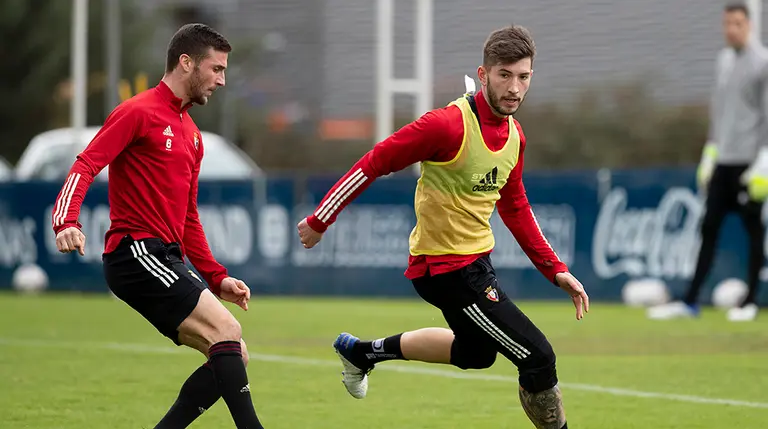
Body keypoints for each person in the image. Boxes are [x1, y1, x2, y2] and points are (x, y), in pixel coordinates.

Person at [297, 25, 588, 429]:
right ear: (483, 75)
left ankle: (361, 353)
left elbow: (516, 205)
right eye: (504, 75)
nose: (515, 88)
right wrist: (320, 220)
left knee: (477, 354)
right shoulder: (446, 125)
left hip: (474, 265)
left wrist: (556, 270)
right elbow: (376, 160)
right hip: (447, 270)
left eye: (524, 77)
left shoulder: (515, 136)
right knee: (538, 357)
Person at [52, 23, 265, 428]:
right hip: (135, 253)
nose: (222, 80)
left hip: (165, 255)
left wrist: (217, 277)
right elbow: (87, 163)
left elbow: (188, 217)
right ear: (186, 63)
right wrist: (66, 220)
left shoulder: (193, 134)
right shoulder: (138, 112)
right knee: (227, 329)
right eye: (216, 69)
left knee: (234, 351)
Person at [648, 0, 768, 322]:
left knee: (753, 232)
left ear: (749, 25)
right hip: (724, 161)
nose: (731, 29)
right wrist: (709, 154)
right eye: (727, 23)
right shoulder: (724, 60)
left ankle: (750, 302)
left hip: (750, 164)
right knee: (708, 228)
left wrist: (763, 162)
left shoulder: (763, 63)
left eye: (737, 24)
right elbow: (720, 115)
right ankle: (690, 301)